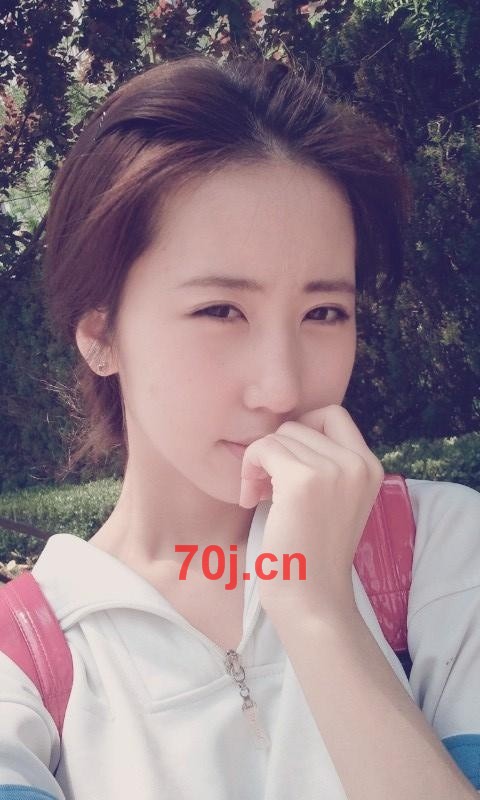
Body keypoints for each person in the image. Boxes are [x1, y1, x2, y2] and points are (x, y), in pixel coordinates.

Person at [1, 52, 479, 800]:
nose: (282, 387)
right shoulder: (23, 667)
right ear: (100, 335)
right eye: (220, 310)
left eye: (324, 312)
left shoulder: (440, 553)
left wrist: (317, 612)